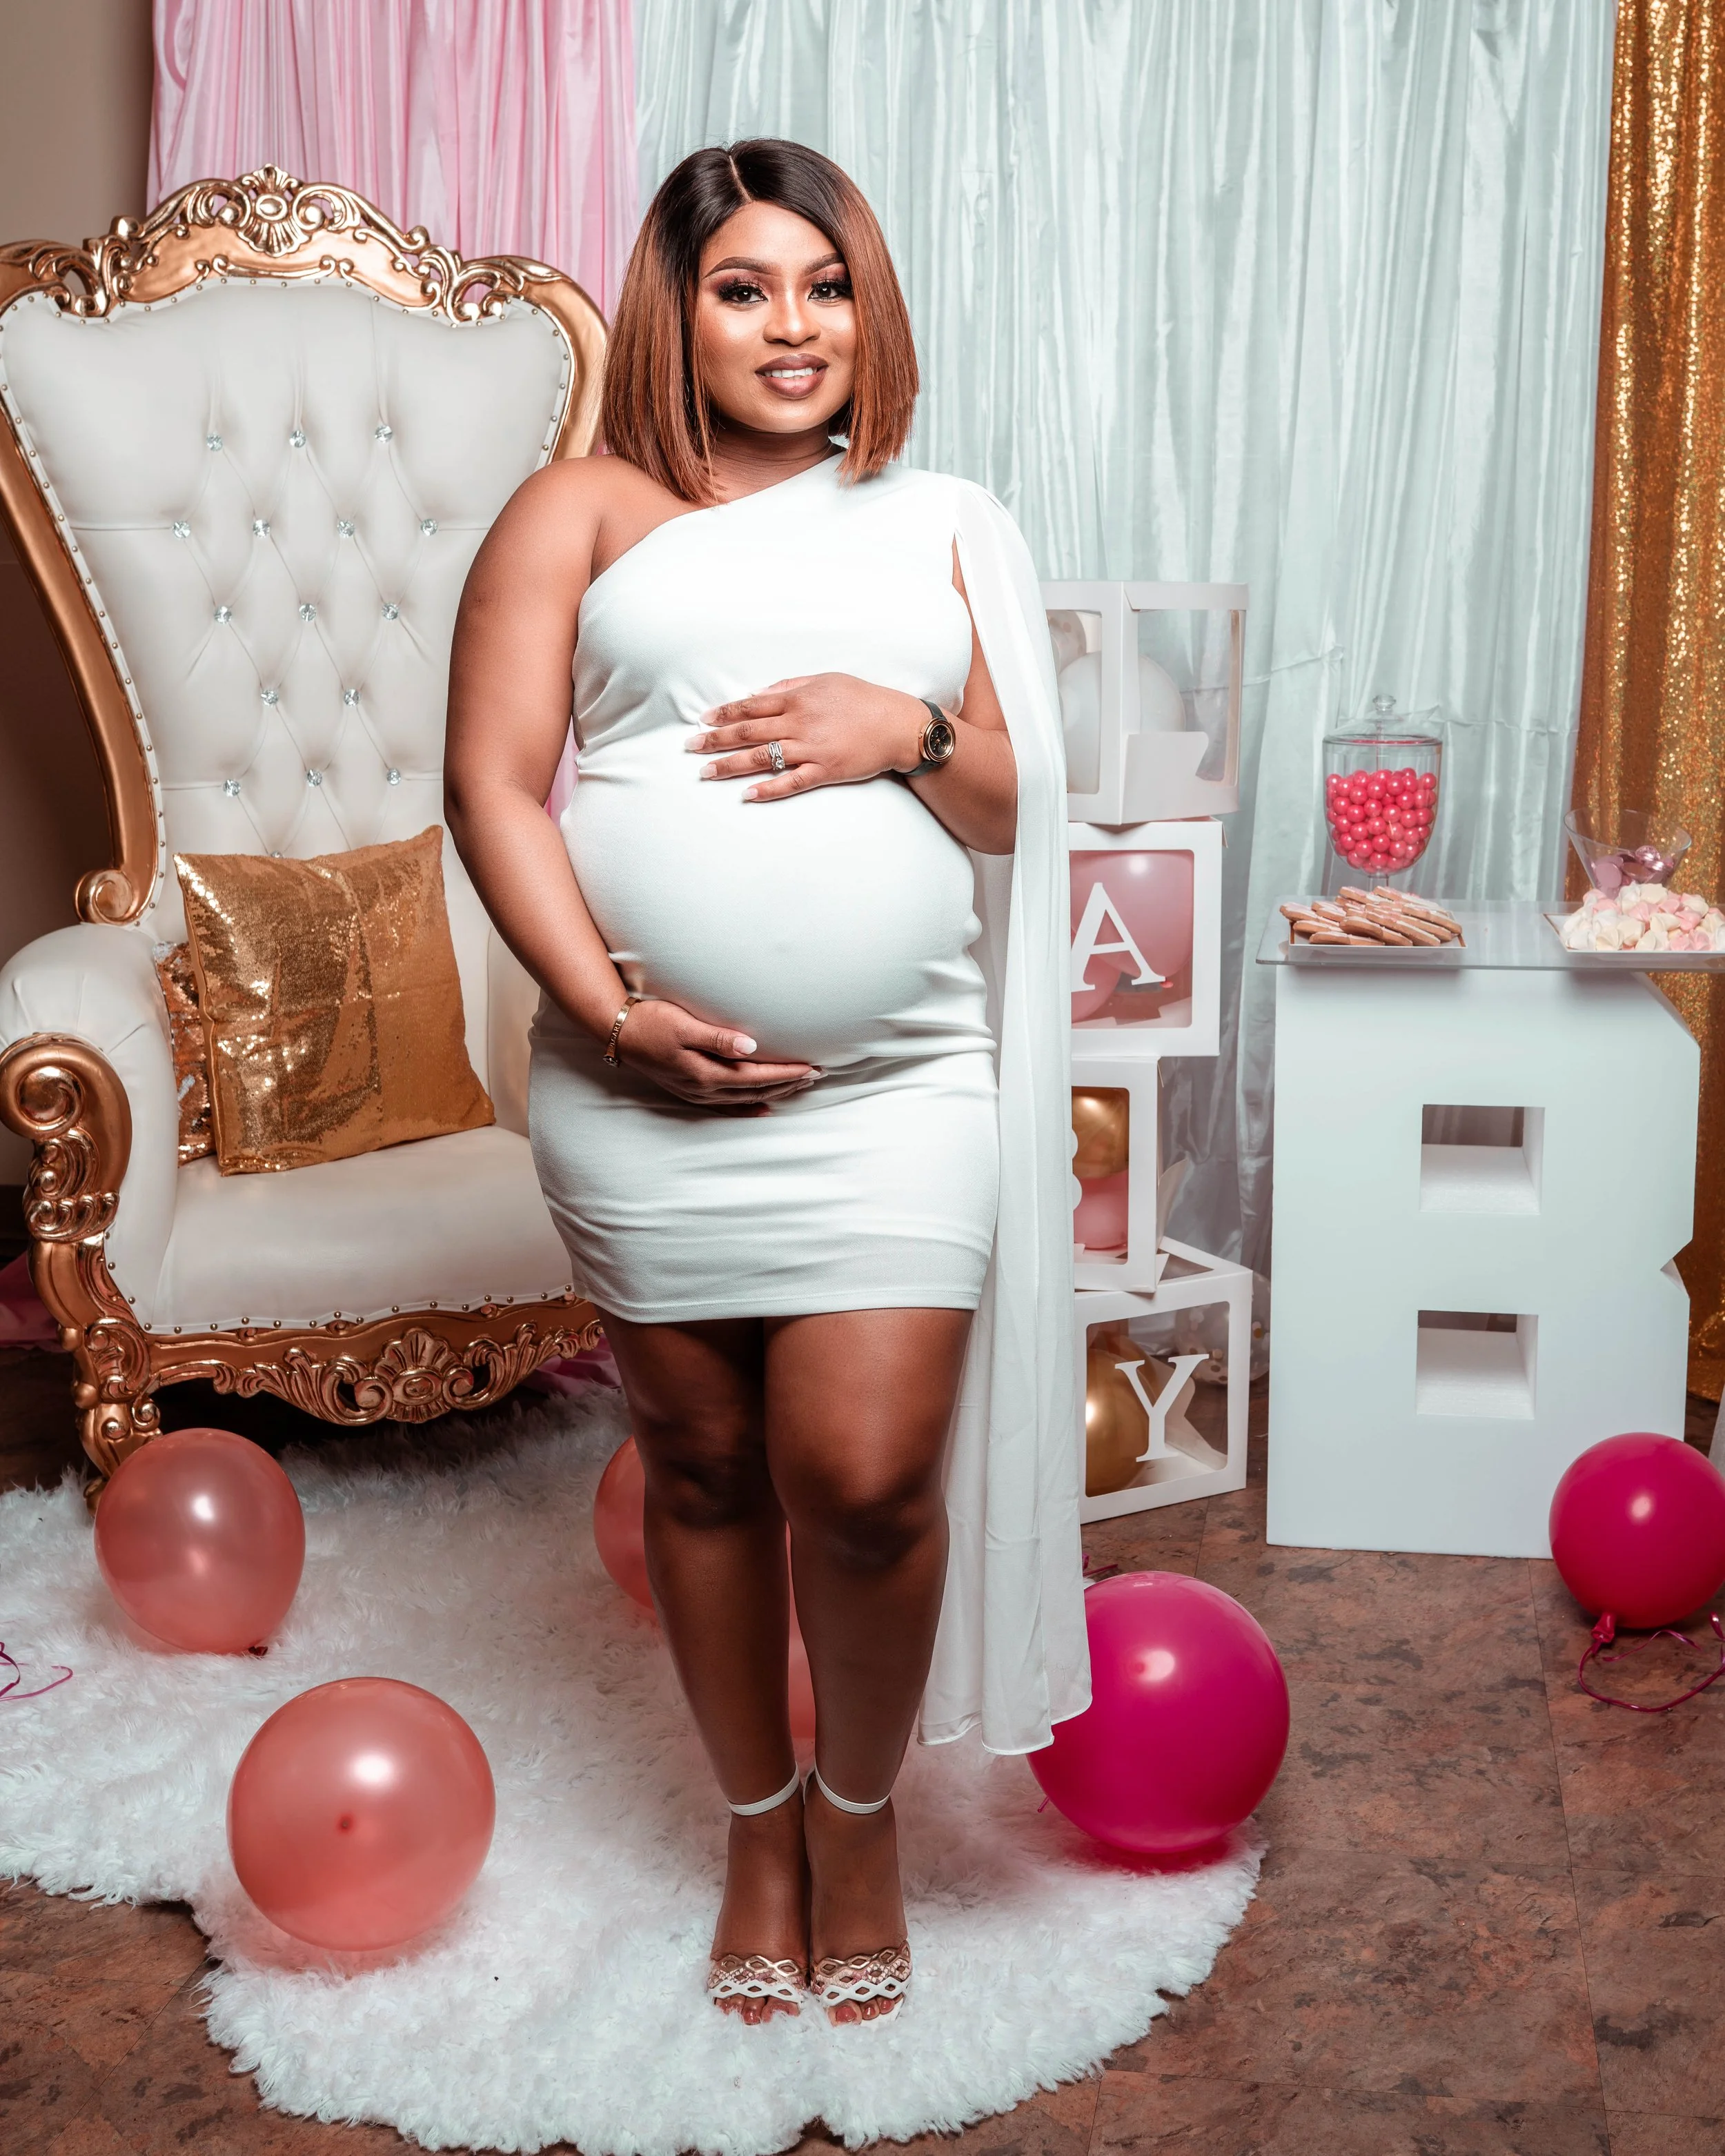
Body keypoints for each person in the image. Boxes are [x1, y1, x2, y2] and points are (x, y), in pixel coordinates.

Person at [445, 139, 1085, 2029]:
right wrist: (606, 1008)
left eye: (825, 284)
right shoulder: (577, 507)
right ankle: (755, 1824)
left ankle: (857, 1813)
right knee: (705, 1468)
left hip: (897, 1088)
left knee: (867, 1483)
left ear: (869, 309)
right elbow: (492, 781)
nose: (792, 325)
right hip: (635, 1088)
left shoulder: (940, 521)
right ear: (680, 312)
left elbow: (1012, 805)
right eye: (744, 287)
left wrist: (910, 725)